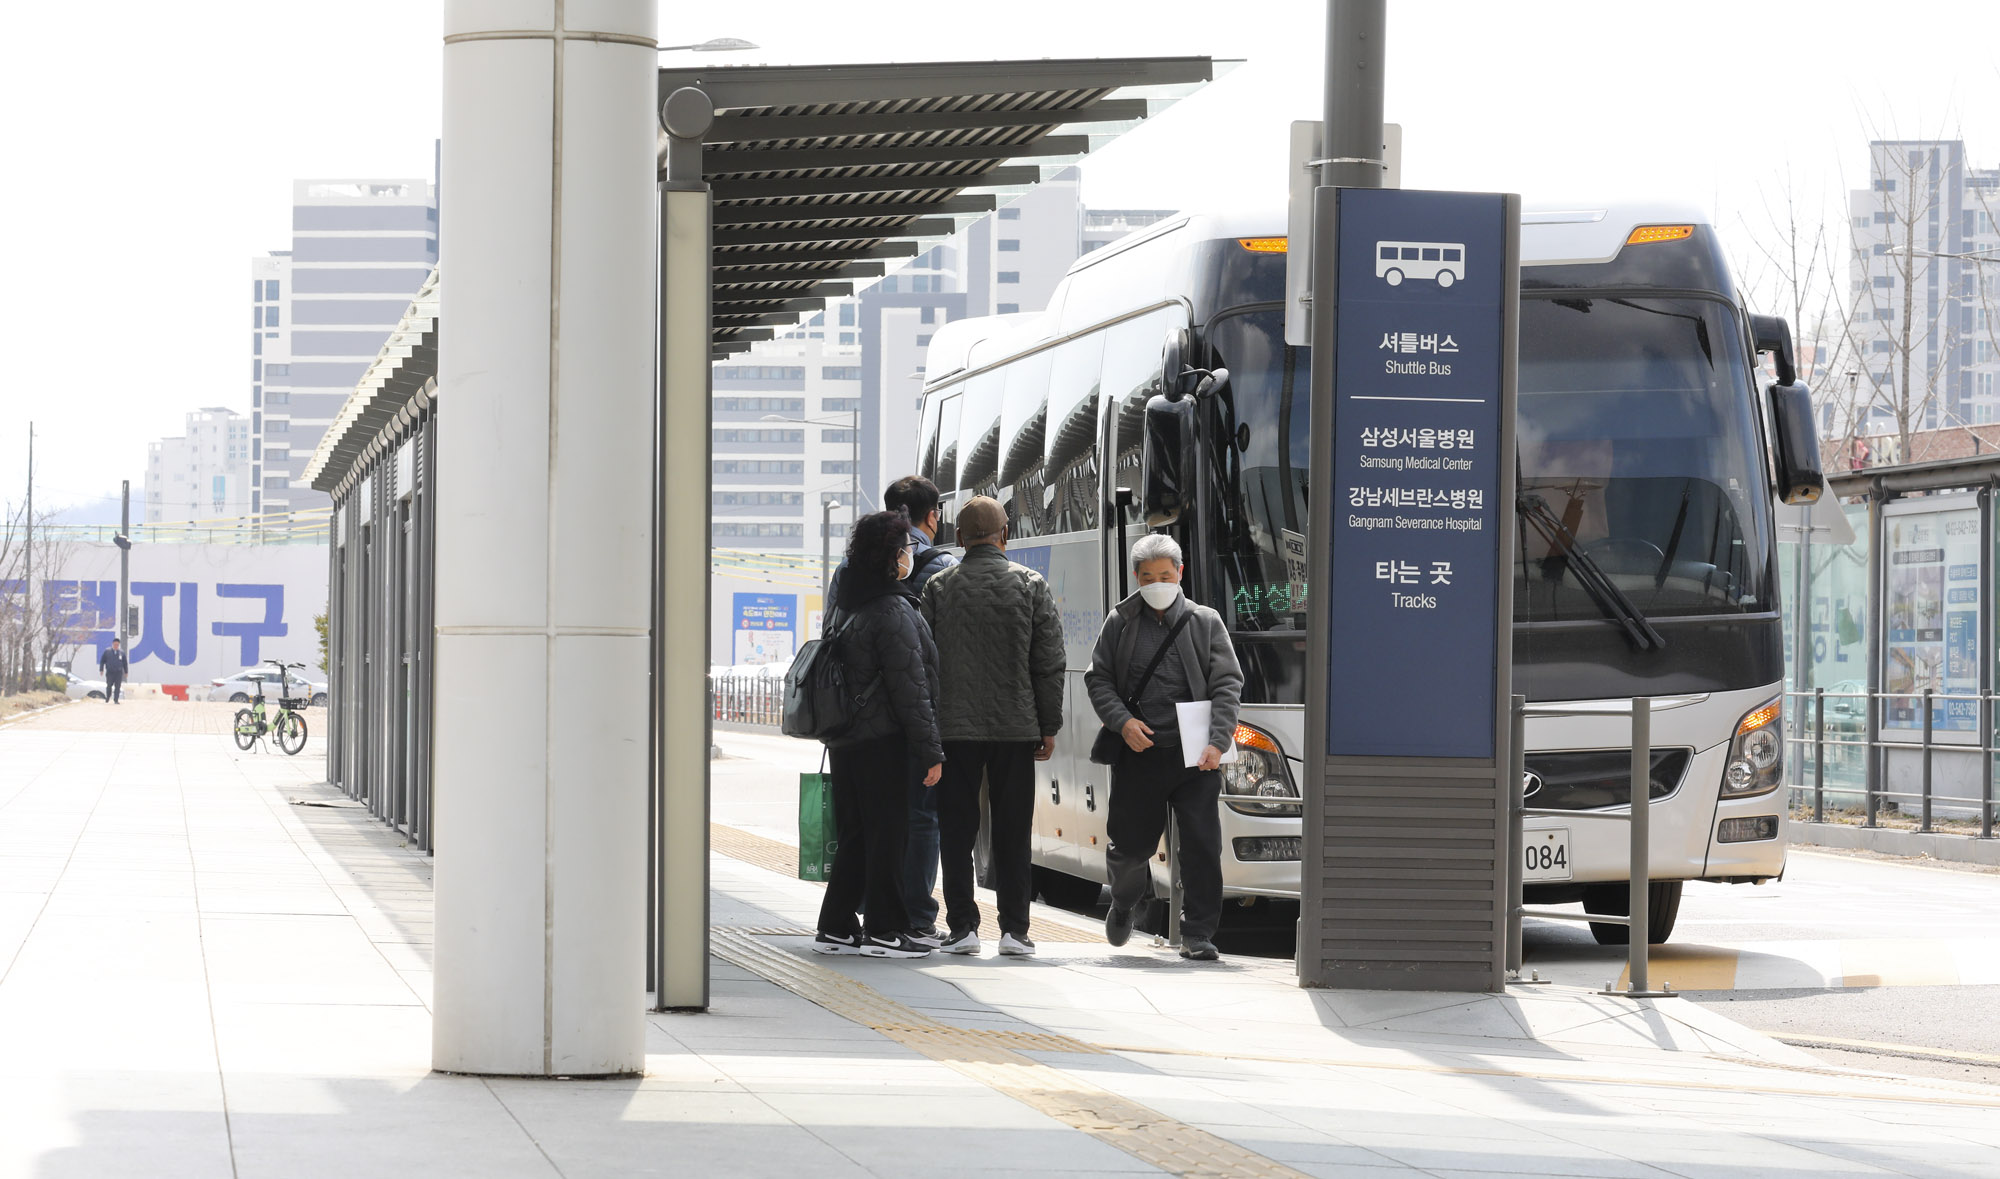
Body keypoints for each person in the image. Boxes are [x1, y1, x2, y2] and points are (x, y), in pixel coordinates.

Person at [1084, 533, 1243, 962]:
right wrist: (1123, 722)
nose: (1158, 582)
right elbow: (1097, 679)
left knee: (1202, 846)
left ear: (1180, 575)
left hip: (1195, 755)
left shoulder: (1205, 621)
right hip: (1139, 751)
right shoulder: (1119, 622)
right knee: (1130, 847)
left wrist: (1218, 740)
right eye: (1148, 576)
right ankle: (1124, 900)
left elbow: (1228, 682)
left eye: (1165, 575)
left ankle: (1199, 934)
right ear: (1136, 577)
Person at [920, 495, 1064, 957]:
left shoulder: (939, 587)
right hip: (1016, 728)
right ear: (1005, 536)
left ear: (959, 538)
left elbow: (924, 664)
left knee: (957, 831)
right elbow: (1049, 662)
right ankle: (1014, 932)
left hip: (953, 731)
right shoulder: (1031, 584)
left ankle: (962, 928)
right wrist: (1049, 724)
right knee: (1011, 830)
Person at [814, 511, 946, 959]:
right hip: (883, 741)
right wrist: (931, 751)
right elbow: (912, 690)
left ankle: (836, 924)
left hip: (846, 740)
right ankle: (886, 931)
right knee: (889, 835)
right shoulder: (892, 609)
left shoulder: (846, 603)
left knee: (856, 833)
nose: (910, 555)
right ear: (893, 556)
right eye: (905, 548)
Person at [882, 475, 957, 941]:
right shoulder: (945, 567)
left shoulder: (858, 563)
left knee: (876, 811)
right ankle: (917, 914)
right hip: (924, 710)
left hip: (866, 715)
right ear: (933, 516)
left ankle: (877, 909)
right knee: (923, 814)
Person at [98, 638, 128, 704]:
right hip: (110, 672)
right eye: (115, 645)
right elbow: (102, 661)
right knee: (109, 686)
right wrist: (101, 669)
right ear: (112, 644)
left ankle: (116, 700)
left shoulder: (121, 653)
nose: (116, 646)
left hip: (118, 672)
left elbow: (125, 663)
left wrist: (126, 672)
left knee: (117, 687)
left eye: (117, 645)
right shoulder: (107, 651)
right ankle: (108, 696)